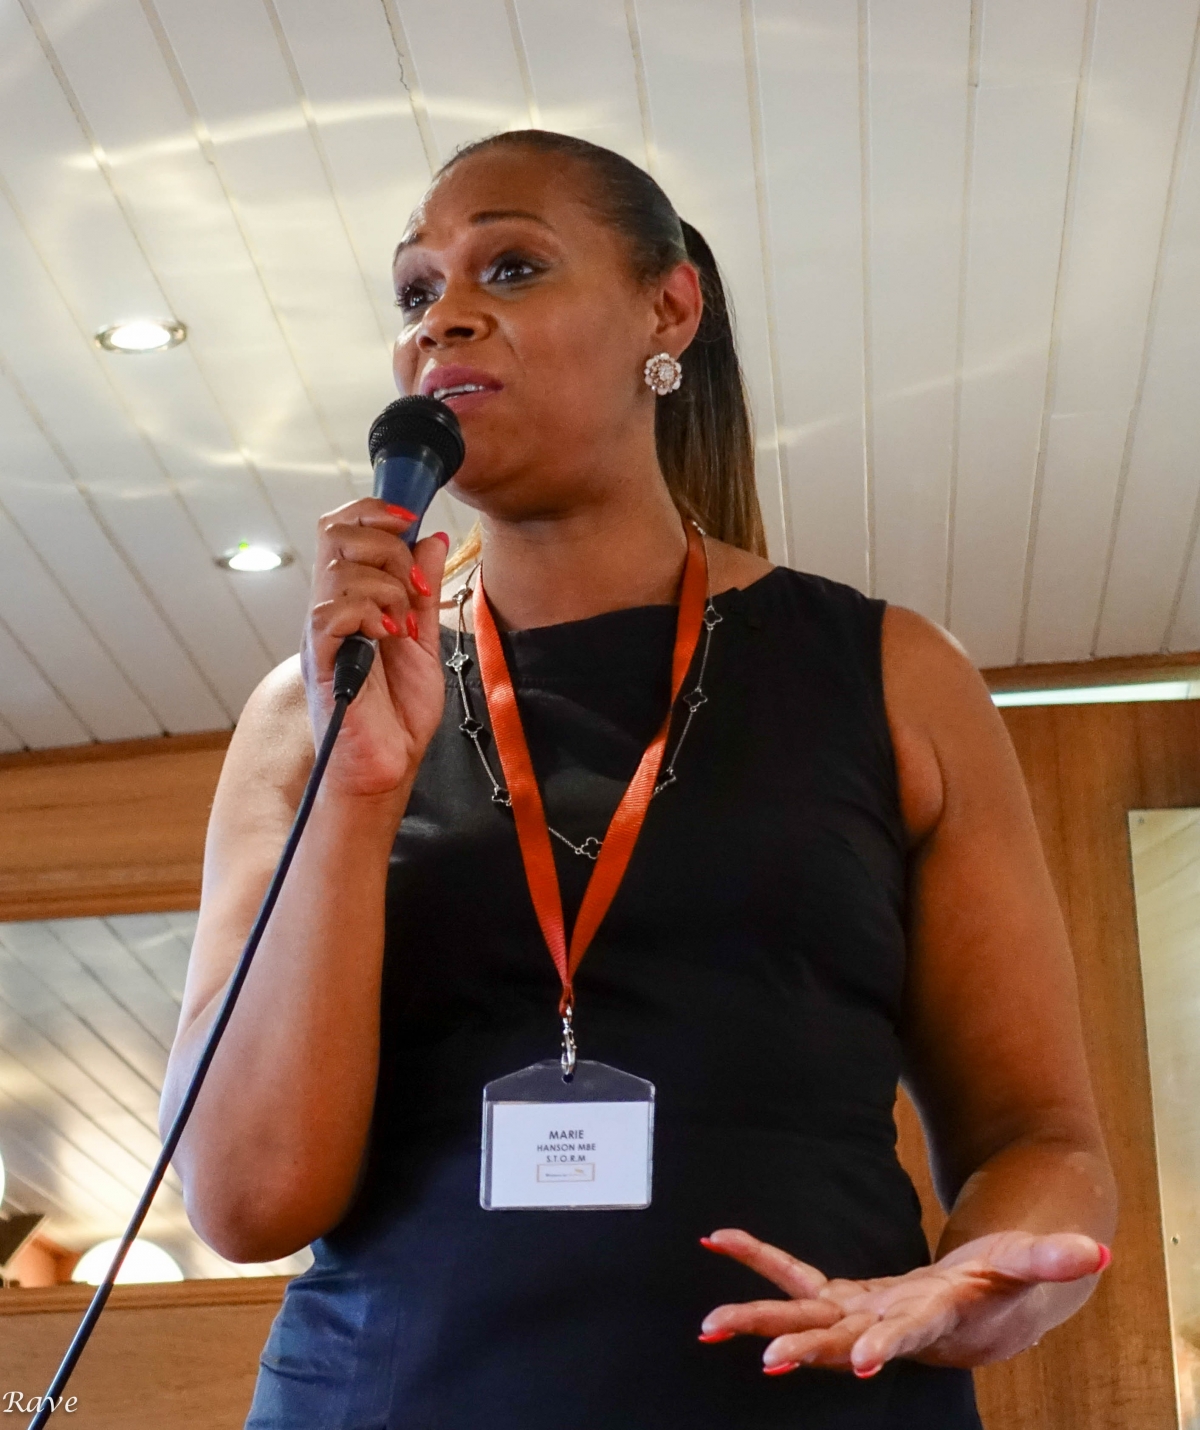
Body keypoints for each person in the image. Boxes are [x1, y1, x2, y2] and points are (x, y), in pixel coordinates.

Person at [160, 130, 1117, 1429]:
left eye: (509, 267)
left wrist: (988, 1276)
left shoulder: (895, 676)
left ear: (667, 307)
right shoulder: (307, 716)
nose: (443, 317)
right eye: (415, 289)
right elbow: (249, 1198)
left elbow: (1041, 1137)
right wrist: (360, 790)